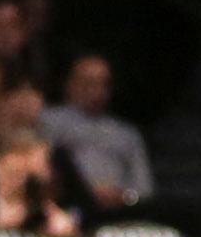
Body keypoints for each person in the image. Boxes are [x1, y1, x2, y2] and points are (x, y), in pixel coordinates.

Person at [39, 53, 154, 210]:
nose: (95, 90)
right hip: (66, 207)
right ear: (70, 84)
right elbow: (39, 171)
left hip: (118, 212)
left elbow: (144, 190)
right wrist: (85, 191)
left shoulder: (127, 134)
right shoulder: (48, 122)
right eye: (88, 82)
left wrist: (124, 196)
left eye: (103, 84)